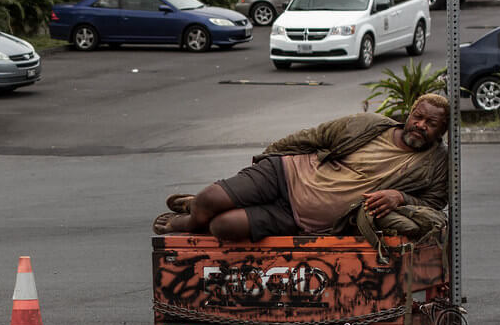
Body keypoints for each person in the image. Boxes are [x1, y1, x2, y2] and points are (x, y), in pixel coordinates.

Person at [153, 94, 450, 241]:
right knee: (210, 200)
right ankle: (190, 219)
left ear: (441, 131)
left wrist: (399, 197)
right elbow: (313, 136)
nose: (420, 126)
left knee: (222, 227)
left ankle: (201, 213)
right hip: (286, 174)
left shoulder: (434, 164)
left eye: (431, 124)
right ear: (410, 114)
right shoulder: (370, 125)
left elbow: (434, 204)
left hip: (301, 218)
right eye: (418, 117)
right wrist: (266, 159)